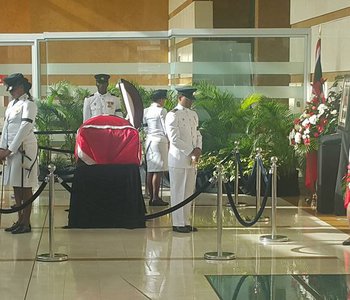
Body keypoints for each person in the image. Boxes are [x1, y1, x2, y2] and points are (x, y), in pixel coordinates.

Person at [0, 73, 38, 234]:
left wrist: (10, 149)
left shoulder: (29, 104)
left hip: (24, 149)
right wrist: (2, 149)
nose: (11, 92)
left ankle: (26, 223)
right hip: (11, 150)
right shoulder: (12, 105)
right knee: (16, 184)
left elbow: (24, 128)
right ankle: (19, 219)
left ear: (21, 87)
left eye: (13, 88)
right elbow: (6, 128)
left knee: (25, 186)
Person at [165, 87, 202, 233]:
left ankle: (186, 221)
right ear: (180, 97)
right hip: (179, 159)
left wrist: (198, 148)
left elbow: (197, 133)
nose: (190, 102)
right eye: (188, 99)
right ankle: (178, 223)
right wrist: (190, 150)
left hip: (192, 159)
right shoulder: (172, 115)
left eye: (192, 99)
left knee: (188, 191)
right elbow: (174, 139)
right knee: (178, 190)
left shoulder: (193, 114)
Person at [143, 89, 169, 206]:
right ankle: (155, 197)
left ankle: (151, 195)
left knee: (150, 170)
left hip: (149, 140)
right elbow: (166, 128)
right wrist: (169, 142)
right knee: (158, 170)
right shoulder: (162, 111)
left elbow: (145, 127)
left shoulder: (146, 111)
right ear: (161, 99)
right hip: (160, 141)